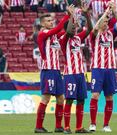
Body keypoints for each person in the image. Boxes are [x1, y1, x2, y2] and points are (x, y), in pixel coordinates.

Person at [34, 5, 74, 133]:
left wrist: (72, 18)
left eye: (52, 20)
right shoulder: (43, 34)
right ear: (42, 24)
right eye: (48, 21)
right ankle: (38, 127)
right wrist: (67, 15)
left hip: (57, 71)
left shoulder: (55, 36)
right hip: (48, 70)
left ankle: (58, 126)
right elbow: (58, 28)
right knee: (46, 98)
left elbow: (67, 31)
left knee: (61, 98)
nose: (51, 22)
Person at [89, 1, 117, 132]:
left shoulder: (111, 34)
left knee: (109, 97)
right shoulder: (95, 35)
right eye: (103, 21)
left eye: (107, 21)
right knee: (95, 95)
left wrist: (114, 11)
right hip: (98, 69)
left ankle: (106, 125)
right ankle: (93, 123)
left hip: (110, 69)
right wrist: (105, 13)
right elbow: (95, 28)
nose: (106, 22)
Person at [59, 1, 92, 133]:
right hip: (70, 74)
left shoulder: (78, 39)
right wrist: (72, 15)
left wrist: (87, 15)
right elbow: (68, 30)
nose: (75, 28)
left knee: (81, 100)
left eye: (75, 27)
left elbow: (90, 30)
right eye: (73, 27)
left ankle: (79, 127)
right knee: (70, 100)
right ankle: (66, 127)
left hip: (80, 74)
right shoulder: (63, 39)